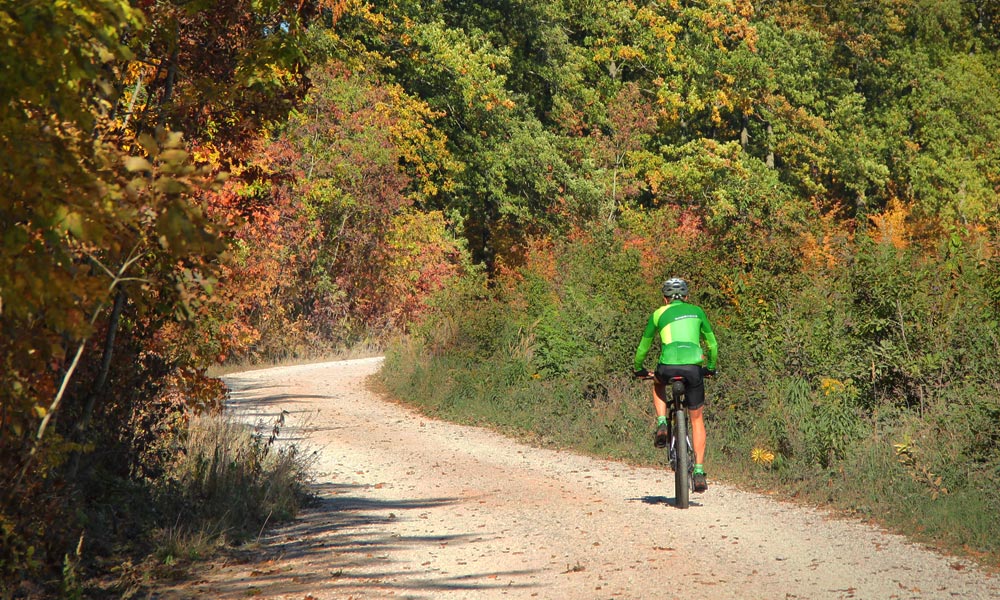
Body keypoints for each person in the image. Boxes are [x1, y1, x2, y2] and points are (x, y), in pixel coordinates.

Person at [633, 277, 718, 492]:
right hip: (693, 369)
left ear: (665, 298)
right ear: (687, 297)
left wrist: (639, 368)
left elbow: (643, 347)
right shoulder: (697, 311)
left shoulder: (658, 314)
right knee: (696, 419)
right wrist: (710, 366)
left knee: (657, 382)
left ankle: (662, 422)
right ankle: (699, 471)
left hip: (667, 367)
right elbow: (712, 344)